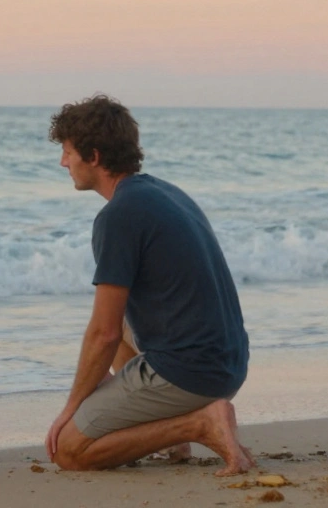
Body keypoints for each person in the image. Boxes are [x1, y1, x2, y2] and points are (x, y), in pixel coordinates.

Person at [43, 94, 255, 476]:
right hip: (228, 363)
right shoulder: (165, 193)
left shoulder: (118, 215)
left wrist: (71, 410)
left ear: (93, 156)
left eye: (68, 152)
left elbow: (104, 334)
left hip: (191, 373)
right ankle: (175, 435)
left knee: (70, 451)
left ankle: (198, 424)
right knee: (124, 323)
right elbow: (117, 330)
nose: (63, 162)